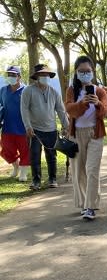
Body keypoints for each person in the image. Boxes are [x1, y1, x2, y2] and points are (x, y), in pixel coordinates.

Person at [65, 56, 107, 220]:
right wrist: (82, 103)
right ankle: (84, 203)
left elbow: (105, 112)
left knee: (92, 170)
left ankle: (90, 206)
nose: (85, 74)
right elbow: (70, 110)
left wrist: (98, 103)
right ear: (76, 72)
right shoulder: (71, 90)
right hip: (76, 135)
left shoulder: (100, 91)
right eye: (81, 71)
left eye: (88, 71)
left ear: (93, 72)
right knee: (79, 172)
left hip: (95, 134)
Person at [20, 63, 69, 191]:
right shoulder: (28, 91)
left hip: (51, 129)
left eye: (46, 74)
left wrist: (66, 126)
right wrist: (28, 127)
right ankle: (36, 181)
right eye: (42, 75)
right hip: (35, 130)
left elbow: (61, 110)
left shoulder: (54, 92)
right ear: (36, 76)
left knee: (52, 156)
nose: (45, 77)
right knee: (35, 156)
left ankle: (52, 179)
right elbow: (24, 109)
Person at [0, 65, 30, 181]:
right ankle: (15, 166)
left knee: (25, 151)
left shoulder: (26, 90)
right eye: (9, 75)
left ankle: (23, 173)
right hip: (7, 127)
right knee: (6, 150)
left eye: (14, 75)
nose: (11, 77)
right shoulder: (3, 90)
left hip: (23, 127)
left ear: (19, 77)